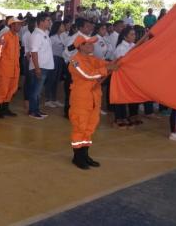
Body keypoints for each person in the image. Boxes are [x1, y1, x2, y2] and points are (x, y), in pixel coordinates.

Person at [68, 35, 118, 169]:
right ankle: (77, 157)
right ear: (80, 46)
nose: (92, 46)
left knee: (90, 128)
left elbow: (103, 63)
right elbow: (88, 75)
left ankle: (85, 155)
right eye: (89, 44)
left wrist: (113, 63)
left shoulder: (91, 59)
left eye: (92, 44)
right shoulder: (75, 61)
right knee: (80, 127)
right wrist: (107, 69)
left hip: (93, 99)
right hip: (81, 100)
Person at [0, 17, 22, 118]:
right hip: (4, 69)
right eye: (18, 24)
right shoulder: (4, 37)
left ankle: (5, 108)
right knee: (2, 89)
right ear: (12, 25)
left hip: (15, 69)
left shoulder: (16, 37)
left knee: (11, 89)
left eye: (20, 24)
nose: (20, 26)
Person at [28, 13, 54, 119]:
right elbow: (34, 53)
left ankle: (36, 109)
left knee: (38, 91)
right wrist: (37, 68)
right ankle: (32, 111)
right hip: (40, 67)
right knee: (36, 90)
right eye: (48, 20)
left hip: (45, 66)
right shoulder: (37, 35)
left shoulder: (44, 33)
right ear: (41, 22)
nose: (50, 22)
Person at [113, 26, 140, 128]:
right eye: (132, 34)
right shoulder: (120, 48)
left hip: (132, 76)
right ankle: (119, 118)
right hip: (121, 76)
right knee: (121, 97)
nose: (134, 36)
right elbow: (123, 64)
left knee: (133, 95)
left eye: (134, 34)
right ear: (125, 36)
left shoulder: (133, 45)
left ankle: (132, 115)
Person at [45, 20, 66, 108]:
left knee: (56, 80)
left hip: (60, 59)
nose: (63, 27)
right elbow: (48, 50)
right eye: (62, 26)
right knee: (51, 79)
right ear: (57, 27)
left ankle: (54, 99)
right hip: (53, 59)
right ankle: (48, 99)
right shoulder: (53, 37)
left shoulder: (61, 36)